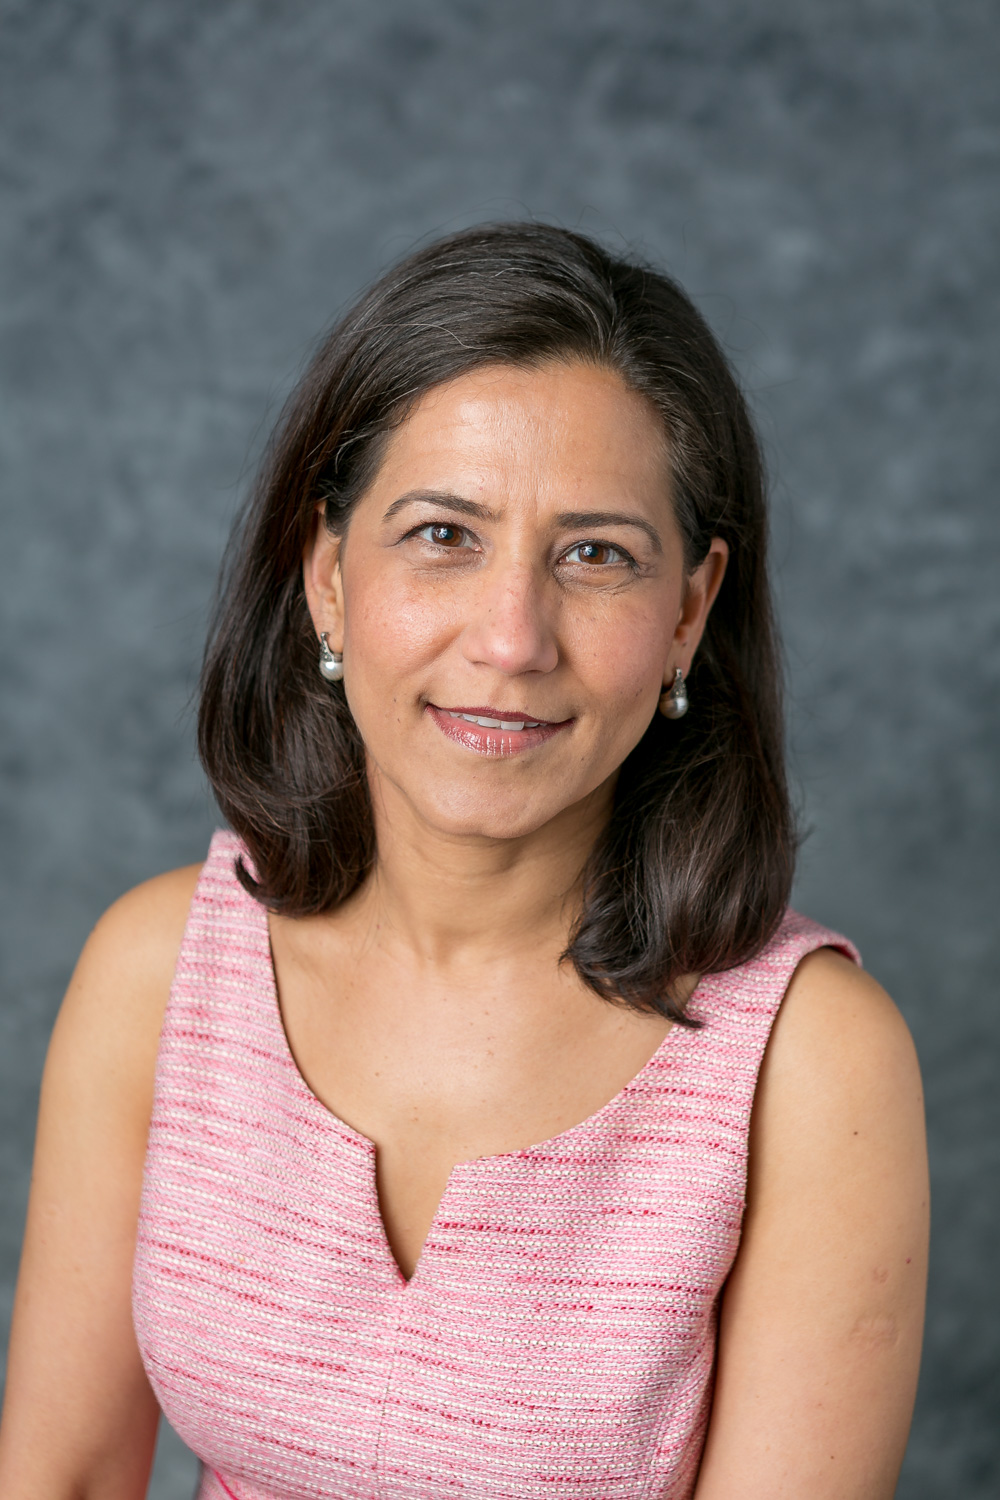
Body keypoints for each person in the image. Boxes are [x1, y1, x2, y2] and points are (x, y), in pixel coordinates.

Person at [0, 223, 928, 1500]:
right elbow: (58, 1477)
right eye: (443, 534)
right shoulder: (160, 967)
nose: (510, 638)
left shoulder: (810, 1063)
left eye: (595, 555)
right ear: (327, 575)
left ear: (688, 612)